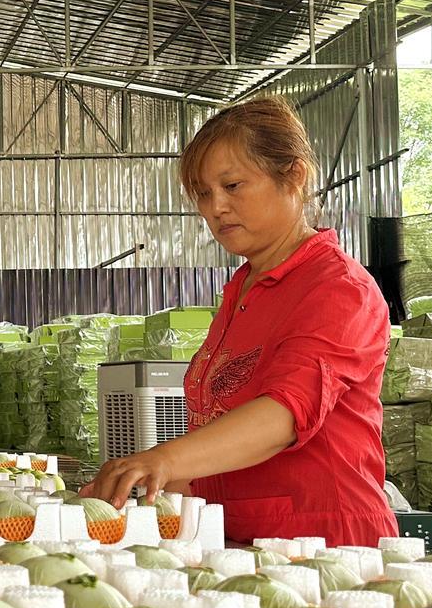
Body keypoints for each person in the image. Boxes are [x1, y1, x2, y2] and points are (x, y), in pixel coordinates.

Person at [82, 97, 395, 547]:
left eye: (232, 185)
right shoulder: (243, 287)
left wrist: (163, 461)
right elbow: (218, 425)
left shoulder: (339, 288)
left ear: (295, 176)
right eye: (204, 194)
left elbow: (283, 415)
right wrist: (157, 490)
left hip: (323, 541)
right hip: (239, 539)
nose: (216, 208)